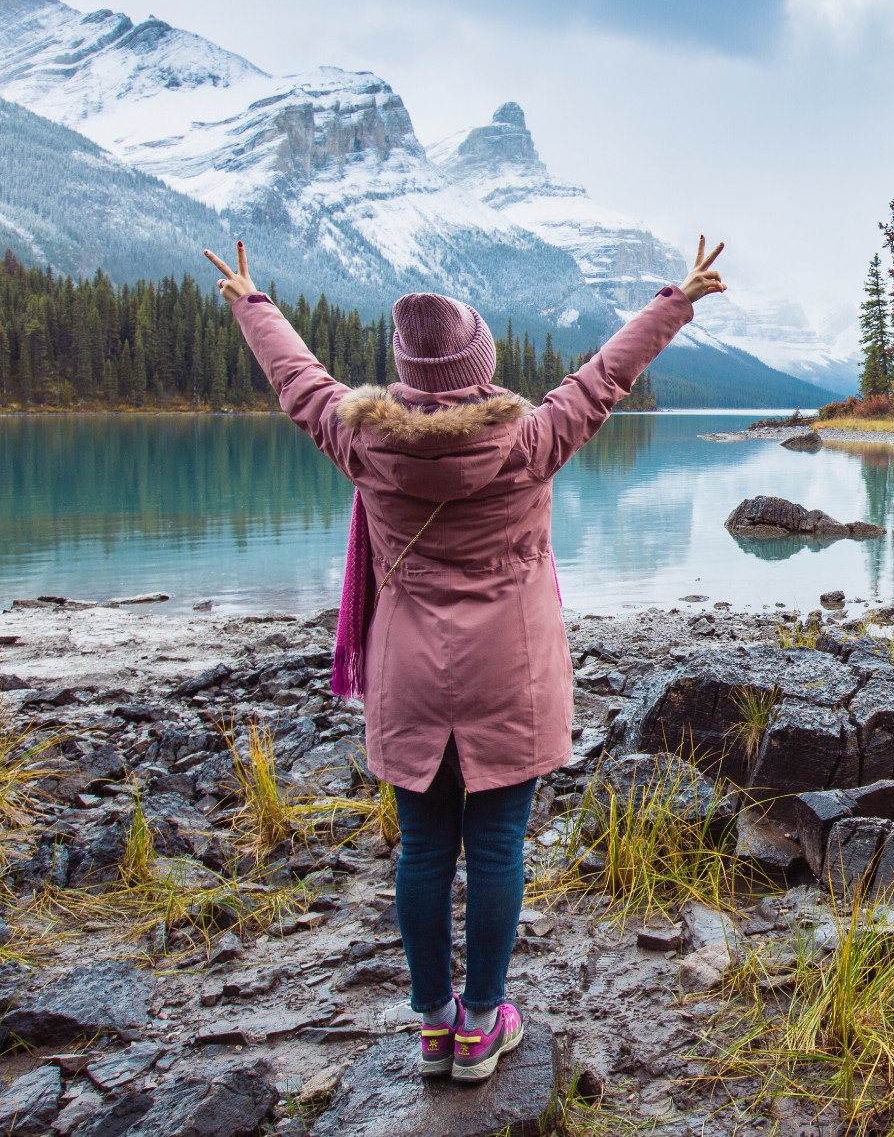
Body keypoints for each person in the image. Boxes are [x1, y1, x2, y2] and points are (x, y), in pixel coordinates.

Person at [206, 238, 726, 1082]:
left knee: (420, 849)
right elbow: (604, 377)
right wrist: (677, 300)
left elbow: (297, 381)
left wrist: (250, 304)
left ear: (405, 373)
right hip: (508, 674)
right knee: (495, 848)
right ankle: (483, 1024)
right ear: (480, 369)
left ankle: (434, 1021)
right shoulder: (529, 439)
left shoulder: (362, 440)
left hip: (409, 672)